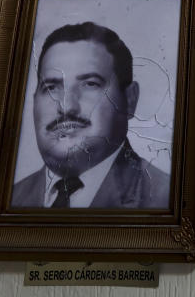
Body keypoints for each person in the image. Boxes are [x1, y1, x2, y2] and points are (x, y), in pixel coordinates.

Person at [11, 22, 170, 209]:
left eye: (90, 84)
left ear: (130, 99)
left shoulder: (164, 198)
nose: (66, 106)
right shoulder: (11, 198)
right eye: (51, 87)